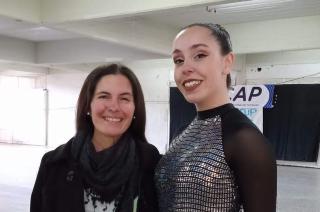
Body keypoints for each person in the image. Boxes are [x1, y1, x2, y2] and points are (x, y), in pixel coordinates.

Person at [155, 23, 277, 211]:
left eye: (200, 55)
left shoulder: (244, 139)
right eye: (178, 60)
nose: (186, 67)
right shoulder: (182, 133)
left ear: (227, 62)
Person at [31, 64, 161, 212]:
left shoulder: (151, 164)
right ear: (88, 106)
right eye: (104, 96)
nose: (114, 107)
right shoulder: (53, 164)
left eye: (124, 98)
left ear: (135, 108)